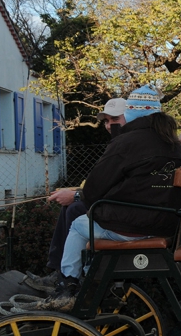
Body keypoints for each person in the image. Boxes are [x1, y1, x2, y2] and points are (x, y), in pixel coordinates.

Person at [33, 86, 181, 311]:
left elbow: (94, 190)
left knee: (78, 225)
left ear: (132, 113)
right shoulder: (175, 145)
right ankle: (91, 280)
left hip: (131, 225)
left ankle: (67, 287)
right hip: (167, 224)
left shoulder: (126, 143)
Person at [24, 97, 128, 293]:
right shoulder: (120, 143)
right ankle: (59, 272)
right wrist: (77, 192)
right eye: (106, 121)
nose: (108, 125)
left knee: (74, 210)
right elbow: (104, 183)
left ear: (129, 117)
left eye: (114, 119)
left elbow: (109, 187)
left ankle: (68, 277)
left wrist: (77, 196)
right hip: (120, 206)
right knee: (71, 207)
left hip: (124, 213)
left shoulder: (123, 145)